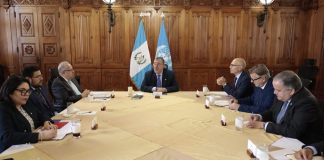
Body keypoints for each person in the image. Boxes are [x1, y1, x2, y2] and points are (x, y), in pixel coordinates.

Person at [247, 70, 323, 145]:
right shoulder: (284, 94)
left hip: (301, 145)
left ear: (291, 91)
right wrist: (260, 116)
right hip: (281, 137)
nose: (274, 92)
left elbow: (293, 132)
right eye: (274, 89)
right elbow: (272, 111)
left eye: (278, 90)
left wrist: (263, 125)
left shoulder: (306, 103)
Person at [0, 75, 57, 153]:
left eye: (28, 91)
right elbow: (7, 137)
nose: (27, 94)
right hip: (13, 151)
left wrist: (46, 122)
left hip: (32, 146)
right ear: (10, 91)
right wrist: (40, 136)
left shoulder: (26, 103)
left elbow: (41, 114)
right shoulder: (3, 108)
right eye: (22, 91)